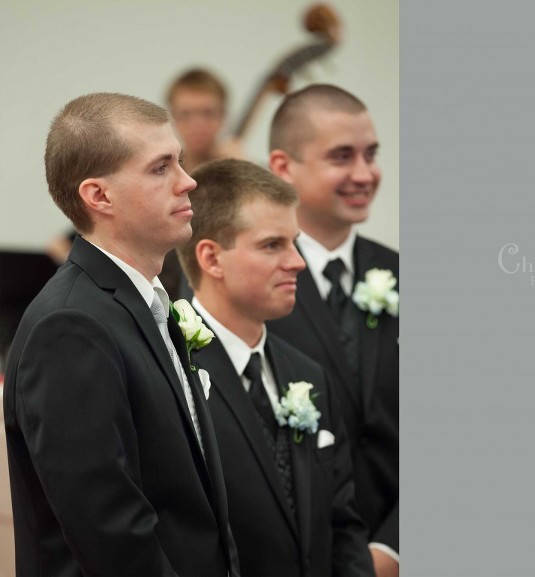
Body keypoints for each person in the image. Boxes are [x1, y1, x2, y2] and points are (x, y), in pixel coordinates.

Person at [3, 92, 239, 576]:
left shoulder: (144, 303)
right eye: (161, 168)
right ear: (99, 196)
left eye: (181, 162)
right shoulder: (70, 325)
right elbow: (109, 529)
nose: (188, 181)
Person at [176, 158, 375, 577]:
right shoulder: (171, 369)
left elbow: (341, 522)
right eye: (272, 245)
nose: (298, 262)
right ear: (211, 258)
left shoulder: (307, 374)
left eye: (295, 242)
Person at [266, 84, 399, 577]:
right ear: (284, 167)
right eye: (342, 156)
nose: (364, 174)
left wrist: (391, 552)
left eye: (371, 154)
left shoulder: (404, 275)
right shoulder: (249, 289)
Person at [166, 67, 245, 174]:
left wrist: (244, 168)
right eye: (185, 114)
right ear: (173, 118)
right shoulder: (165, 171)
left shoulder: (238, 163)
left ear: (223, 116)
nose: (197, 125)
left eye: (208, 113)